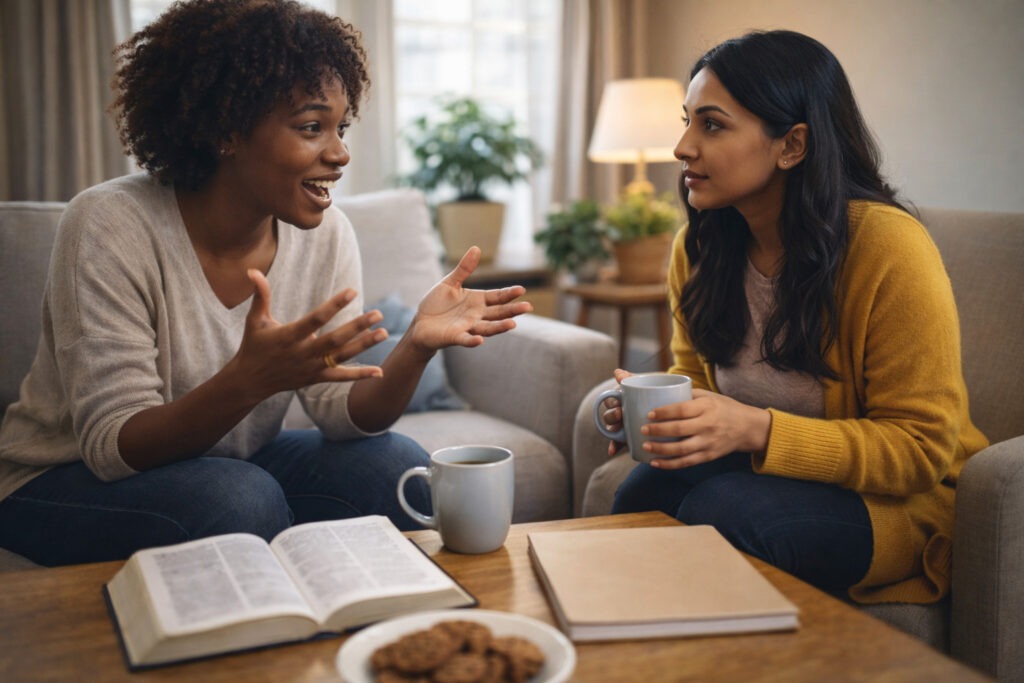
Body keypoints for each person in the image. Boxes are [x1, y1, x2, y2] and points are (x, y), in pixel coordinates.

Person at [0, 0, 531, 567]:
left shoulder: (326, 234)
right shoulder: (109, 224)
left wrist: (415, 346)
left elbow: (339, 413)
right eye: (311, 127)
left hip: (226, 462)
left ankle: (390, 621)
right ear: (227, 130)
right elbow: (112, 446)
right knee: (239, 498)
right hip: (60, 478)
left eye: (341, 127)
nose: (340, 153)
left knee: (394, 465)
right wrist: (248, 381)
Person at [599, 30, 987, 603]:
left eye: (712, 125)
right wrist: (658, 416)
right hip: (765, 472)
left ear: (792, 145)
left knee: (721, 512)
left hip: (896, 502)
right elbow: (696, 379)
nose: (682, 147)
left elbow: (919, 449)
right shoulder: (698, 248)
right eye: (687, 122)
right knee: (640, 500)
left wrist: (755, 428)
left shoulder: (888, 248)